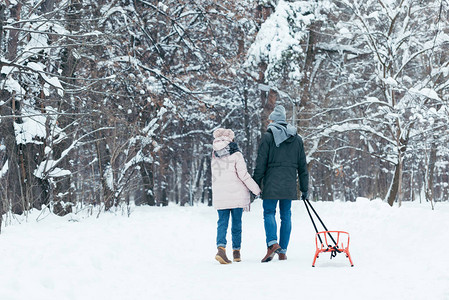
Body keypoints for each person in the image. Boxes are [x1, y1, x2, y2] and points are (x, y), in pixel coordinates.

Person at [253, 105, 309, 262]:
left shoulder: (268, 137)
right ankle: (282, 250)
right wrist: (304, 188)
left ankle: (272, 244)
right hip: (289, 183)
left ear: (274, 120)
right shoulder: (297, 139)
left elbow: (260, 164)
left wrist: (255, 184)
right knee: (286, 215)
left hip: (271, 182)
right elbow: (303, 167)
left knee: (269, 212)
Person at [211, 128, 261, 264]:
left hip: (220, 195)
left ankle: (221, 249)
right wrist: (256, 190)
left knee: (222, 223)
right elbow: (243, 175)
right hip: (237, 194)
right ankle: (236, 252)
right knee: (236, 224)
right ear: (231, 139)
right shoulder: (236, 154)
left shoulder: (215, 154)